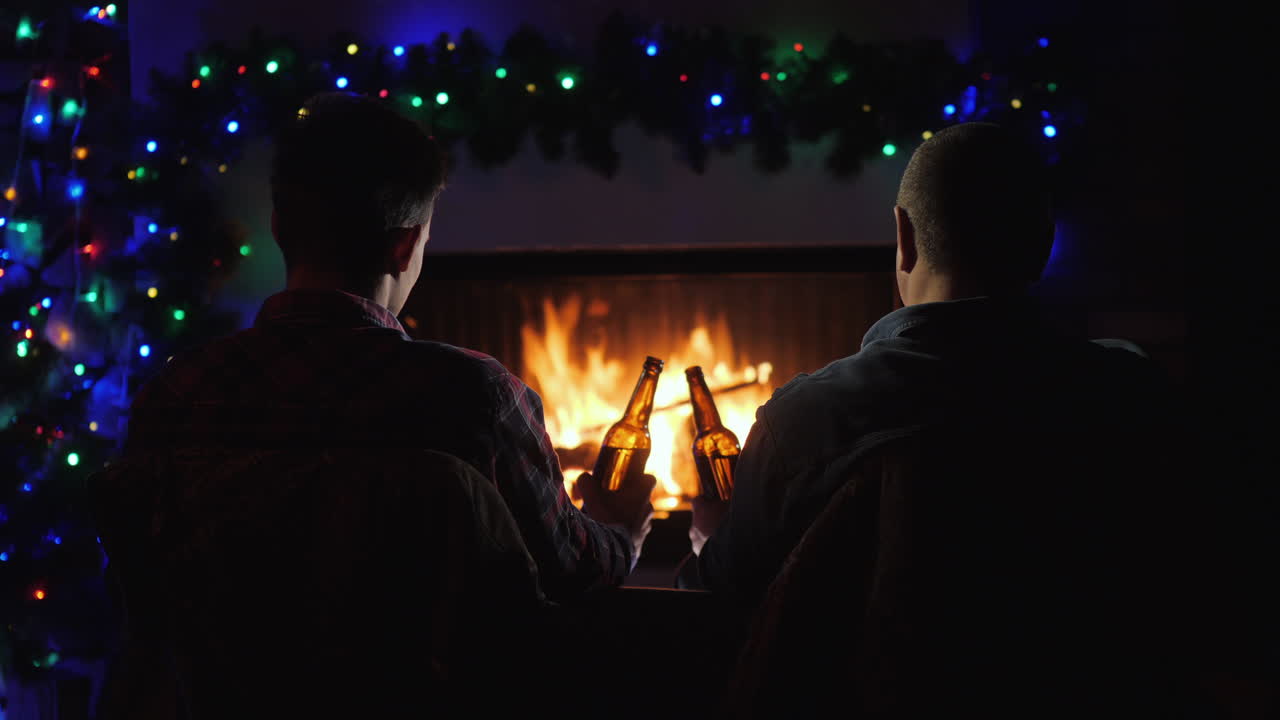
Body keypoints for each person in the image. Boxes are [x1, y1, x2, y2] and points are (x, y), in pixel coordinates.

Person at [122, 92, 654, 601]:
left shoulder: (176, 392)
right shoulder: (475, 398)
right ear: (404, 246)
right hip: (428, 695)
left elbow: (141, 582)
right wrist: (618, 528)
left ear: (280, 228)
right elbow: (571, 572)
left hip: (226, 693)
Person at [692, 122, 1189, 604]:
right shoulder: (1130, 395)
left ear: (903, 237)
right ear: (1044, 245)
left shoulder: (802, 422)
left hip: (862, 691)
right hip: (1083, 687)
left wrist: (711, 538)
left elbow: (720, 606)